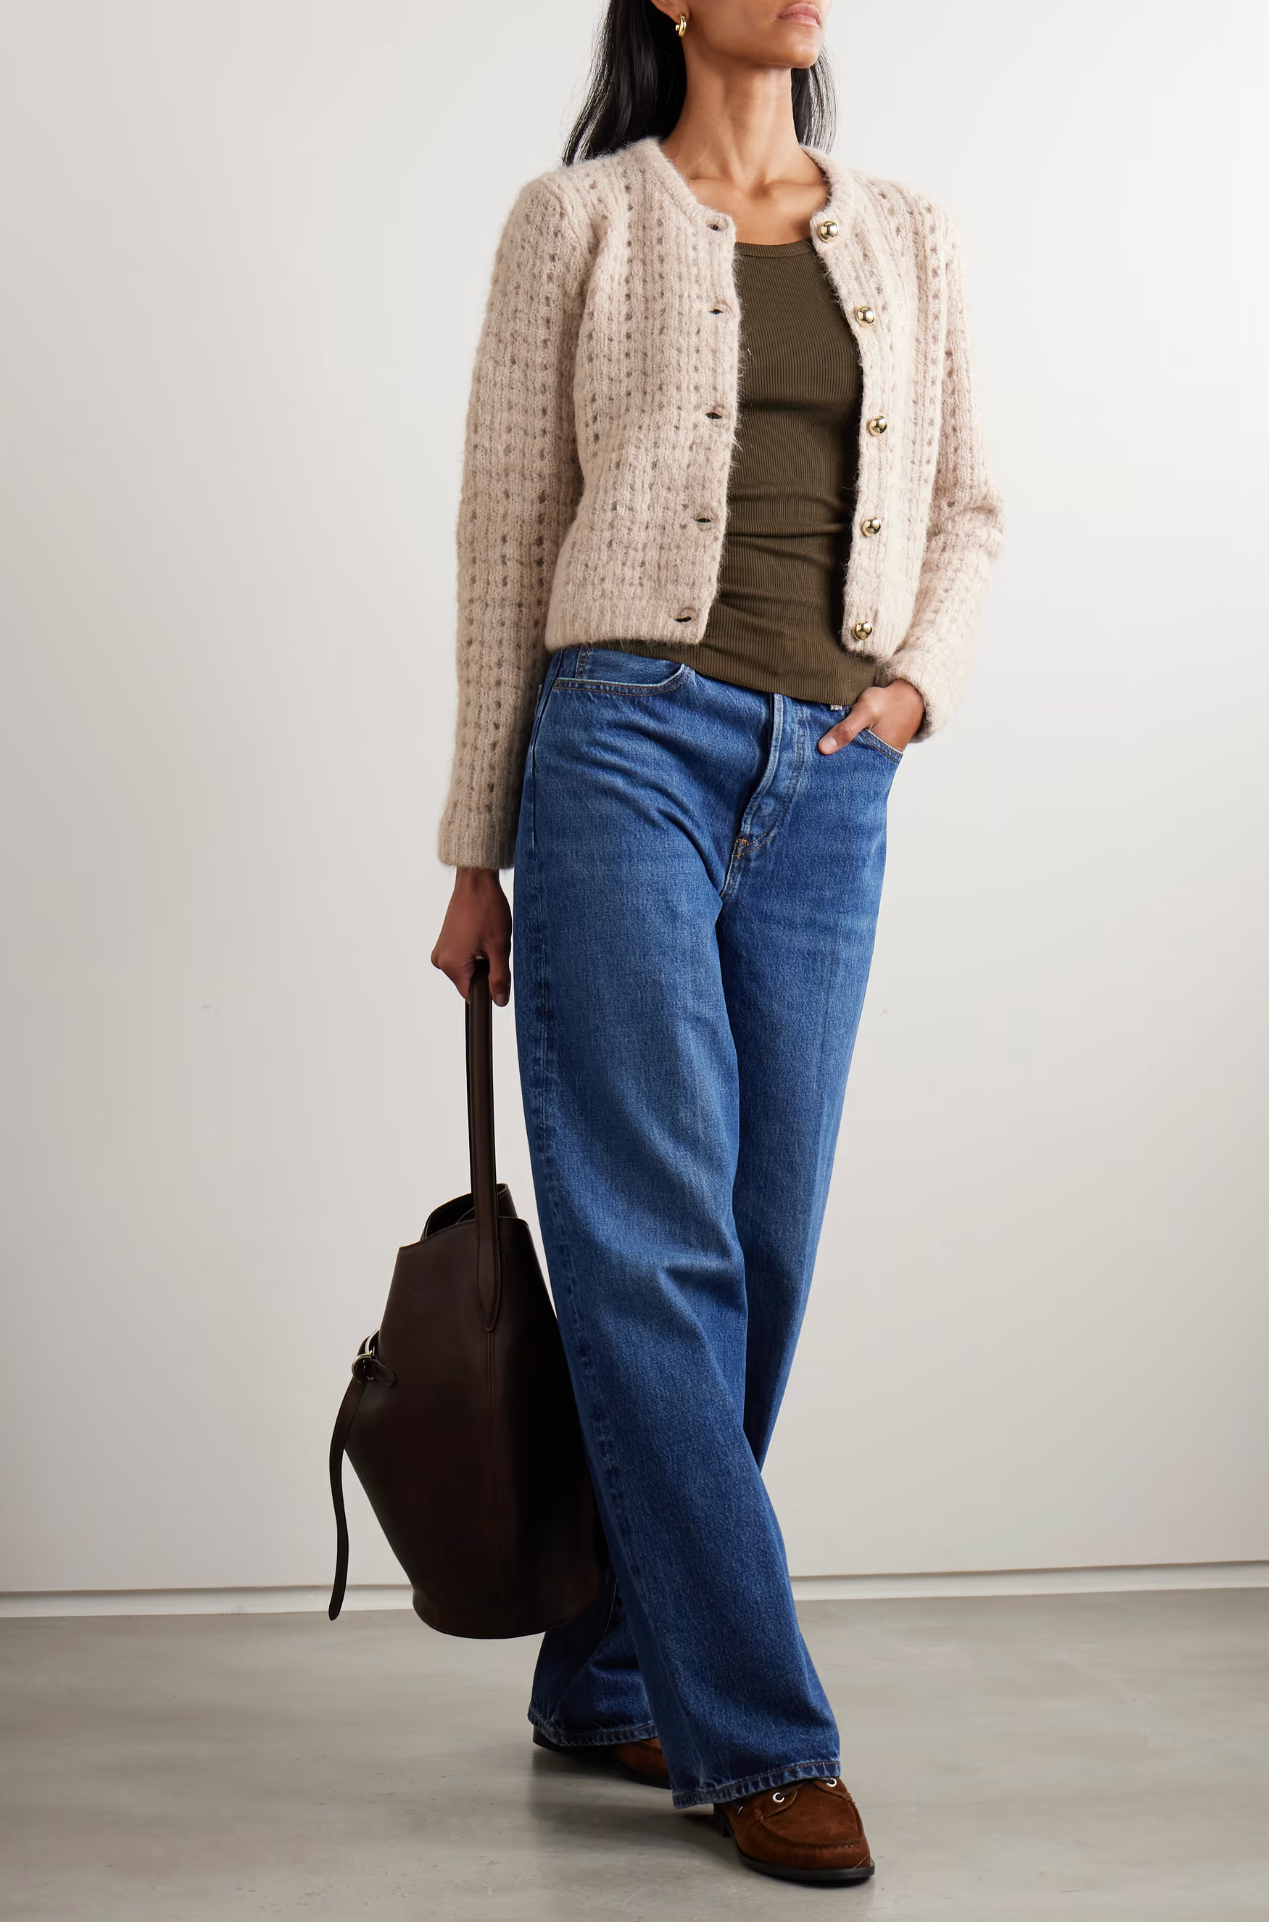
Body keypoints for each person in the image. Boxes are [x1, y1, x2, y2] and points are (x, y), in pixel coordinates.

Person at [431, 0, 1003, 1886]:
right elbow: (507, 533)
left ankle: (603, 1668)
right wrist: (473, 850)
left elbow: (968, 509)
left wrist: (913, 691)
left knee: (754, 1243)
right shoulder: (575, 219)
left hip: (831, 775)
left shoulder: (903, 229)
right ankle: (757, 1730)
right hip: (620, 746)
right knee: (651, 1240)